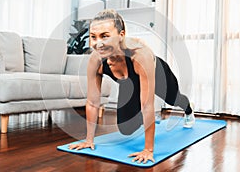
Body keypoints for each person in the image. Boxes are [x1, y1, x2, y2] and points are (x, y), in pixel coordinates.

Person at [68, 9, 195, 164]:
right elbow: (93, 103)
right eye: (93, 37)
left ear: (121, 35)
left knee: (174, 99)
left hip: (158, 73)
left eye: (105, 36)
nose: (98, 43)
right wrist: (89, 140)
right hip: (129, 82)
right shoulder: (96, 60)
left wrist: (148, 150)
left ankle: (189, 110)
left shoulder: (139, 55)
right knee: (126, 128)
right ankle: (146, 120)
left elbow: (148, 105)